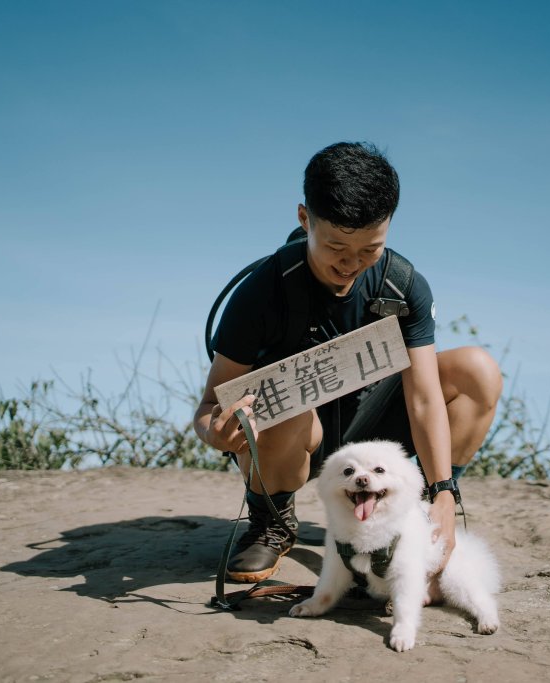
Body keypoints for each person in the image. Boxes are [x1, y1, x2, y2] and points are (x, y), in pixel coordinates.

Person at [193, 141, 502, 591]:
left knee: (477, 368)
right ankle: (271, 522)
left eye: (369, 249)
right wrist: (215, 431)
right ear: (305, 218)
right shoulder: (262, 293)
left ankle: (419, 512)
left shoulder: (403, 284)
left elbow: (423, 395)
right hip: (297, 438)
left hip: (372, 435)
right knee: (288, 401)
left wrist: (443, 494)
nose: (350, 263)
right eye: (336, 246)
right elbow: (207, 407)